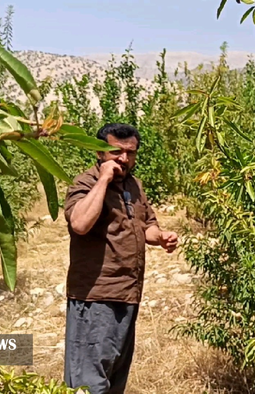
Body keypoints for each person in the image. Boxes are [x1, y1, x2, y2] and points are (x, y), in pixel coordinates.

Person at [62, 123, 178, 393]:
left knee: (115, 378)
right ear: (100, 152)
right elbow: (79, 223)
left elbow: (146, 225)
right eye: (116, 151)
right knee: (89, 382)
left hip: (129, 294)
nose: (124, 159)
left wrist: (160, 237)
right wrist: (103, 179)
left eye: (130, 153)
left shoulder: (134, 185)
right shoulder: (86, 183)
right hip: (95, 297)